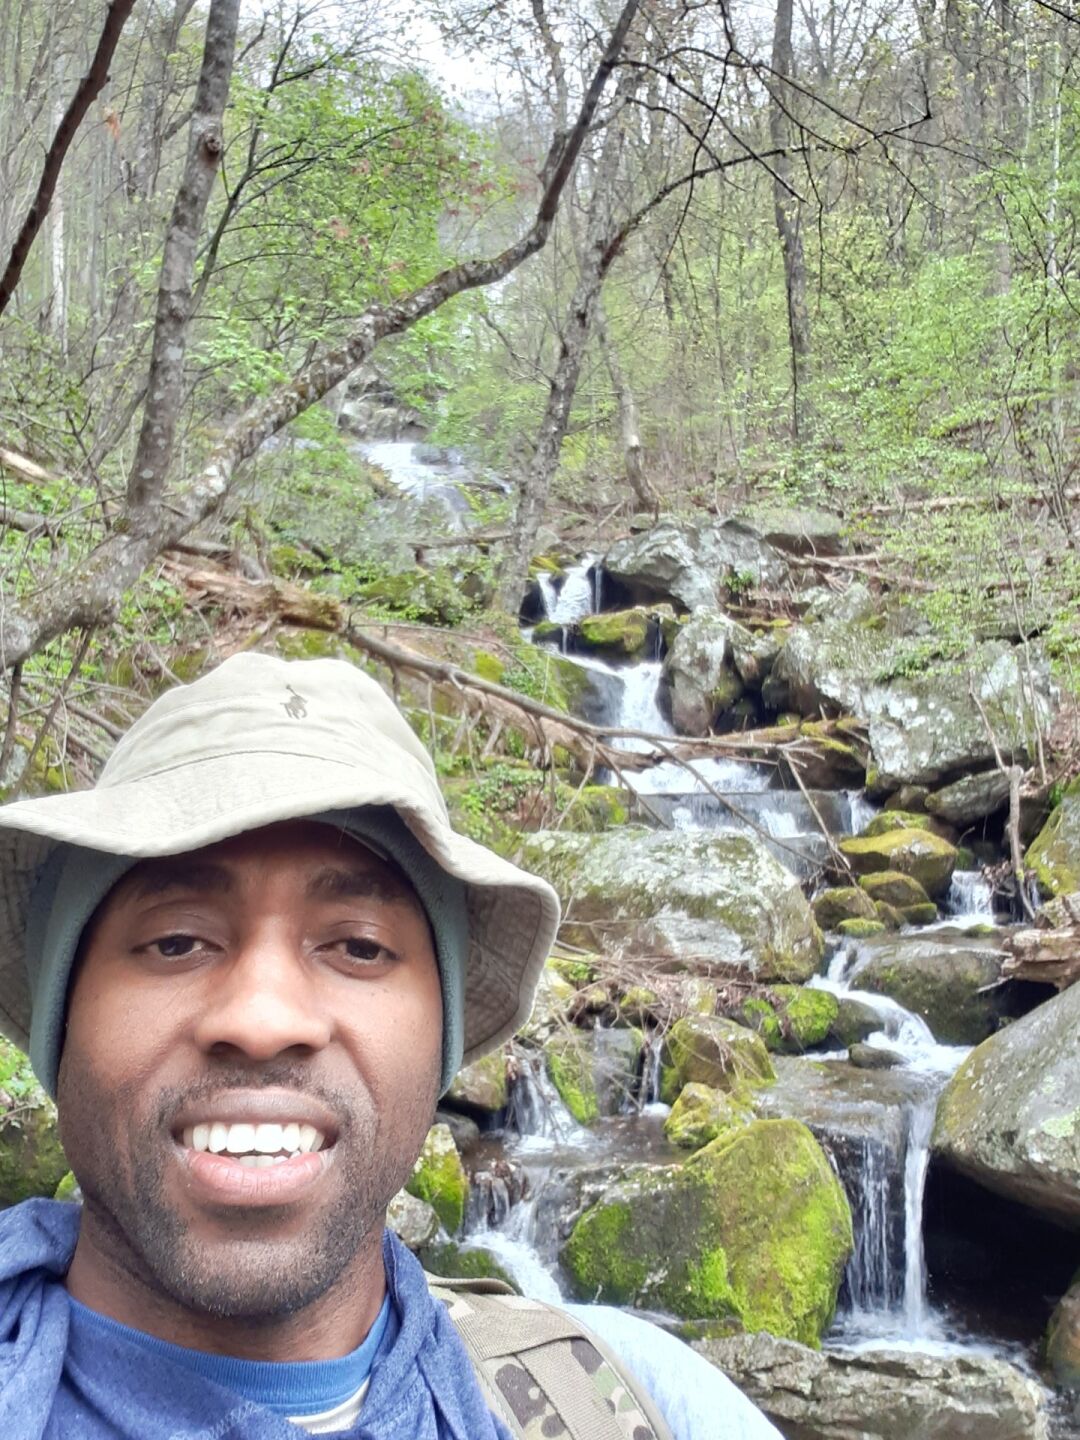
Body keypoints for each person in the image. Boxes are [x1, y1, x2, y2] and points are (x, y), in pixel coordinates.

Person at [0, 652, 780, 1439]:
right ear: (61, 1023)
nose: (264, 1020)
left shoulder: (622, 1398)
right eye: (176, 942)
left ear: (442, 1041)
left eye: (360, 947)